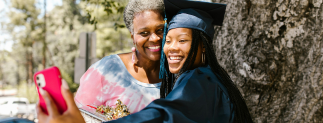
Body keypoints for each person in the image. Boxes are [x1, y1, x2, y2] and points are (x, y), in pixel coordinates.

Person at [37, 0, 254, 123]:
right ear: (132, 36)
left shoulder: (200, 81)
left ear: (203, 45)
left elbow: (164, 116)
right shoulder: (197, 78)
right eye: (169, 40)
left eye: (182, 40)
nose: (169, 46)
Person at [74, 0, 165, 114]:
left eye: (160, 30)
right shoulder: (106, 70)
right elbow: (78, 117)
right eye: (144, 33)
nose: (155, 38)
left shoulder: (177, 72)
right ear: (133, 37)